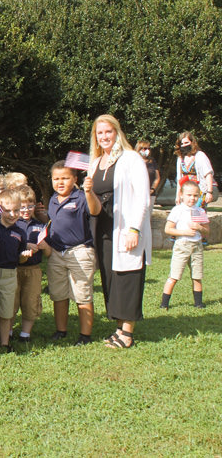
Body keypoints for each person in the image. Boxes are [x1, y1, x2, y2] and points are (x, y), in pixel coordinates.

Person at [88, 115, 151, 350]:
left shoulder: (131, 159)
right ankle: (118, 327)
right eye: (100, 133)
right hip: (103, 227)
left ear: (117, 132)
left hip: (125, 226)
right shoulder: (96, 162)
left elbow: (142, 198)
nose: (104, 137)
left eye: (108, 132)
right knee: (111, 276)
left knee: (128, 277)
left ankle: (127, 333)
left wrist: (134, 228)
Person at [46, 160, 100, 345]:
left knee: (82, 294)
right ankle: (61, 330)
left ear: (75, 179)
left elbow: (95, 210)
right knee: (58, 293)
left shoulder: (81, 197)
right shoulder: (53, 199)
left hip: (79, 251)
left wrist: (89, 191)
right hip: (56, 252)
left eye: (65, 178)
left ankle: (85, 335)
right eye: (56, 178)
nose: (60, 182)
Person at [160, 181, 209, 310]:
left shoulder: (200, 211)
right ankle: (164, 304)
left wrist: (199, 228)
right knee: (174, 275)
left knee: (197, 276)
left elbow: (207, 230)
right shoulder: (178, 210)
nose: (192, 198)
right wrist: (184, 232)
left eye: (195, 195)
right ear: (181, 195)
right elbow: (168, 229)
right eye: (189, 195)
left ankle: (198, 303)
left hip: (197, 246)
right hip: (182, 245)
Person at [0, 189, 28, 353]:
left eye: (16, 210)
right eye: (7, 210)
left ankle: (5, 343)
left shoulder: (20, 232)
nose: (13, 214)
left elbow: (19, 256)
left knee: (6, 312)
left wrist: (24, 257)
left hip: (10, 274)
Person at [13, 185, 46, 342]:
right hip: (14, 268)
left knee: (31, 301)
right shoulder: (12, 225)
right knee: (11, 302)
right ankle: (9, 331)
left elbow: (49, 253)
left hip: (33, 269)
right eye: (21, 207)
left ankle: (25, 334)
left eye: (30, 206)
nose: (26, 210)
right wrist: (23, 247)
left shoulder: (39, 226)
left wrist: (44, 246)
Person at [175, 132, 214, 208]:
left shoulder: (200, 156)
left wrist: (209, 192)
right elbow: (179, 179)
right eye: (182, 144)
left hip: (200, 191)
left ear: (192, 142)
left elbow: (208, 174)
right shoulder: (180, 158)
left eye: (186, 142)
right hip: (186, 192)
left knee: (198, 215)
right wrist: (178, 195)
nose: (184, 145)